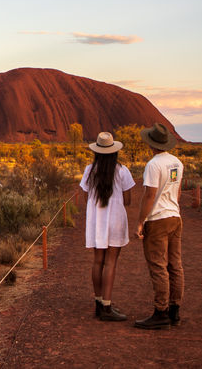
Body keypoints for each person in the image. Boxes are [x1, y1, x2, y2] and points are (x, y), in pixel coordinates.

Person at [80, 131, 135, 321]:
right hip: (116, 220)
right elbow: (128, 200)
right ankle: (107, 306)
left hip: (96, 221)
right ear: (114, 152)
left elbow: (85, 196)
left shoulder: (89, 170)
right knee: (111, 262)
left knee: (97, 261)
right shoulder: (121, 170)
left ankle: (98, 302)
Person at [135, 123, 184, 330]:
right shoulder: (177, 163)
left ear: (151, 144)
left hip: (158, 219)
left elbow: (149, 195)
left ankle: (161, 312)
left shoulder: (153, 165)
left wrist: (140, 221)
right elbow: (178, 191)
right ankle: (174, 310)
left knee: (158, 265)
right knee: (175, 264)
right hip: (175, 217)